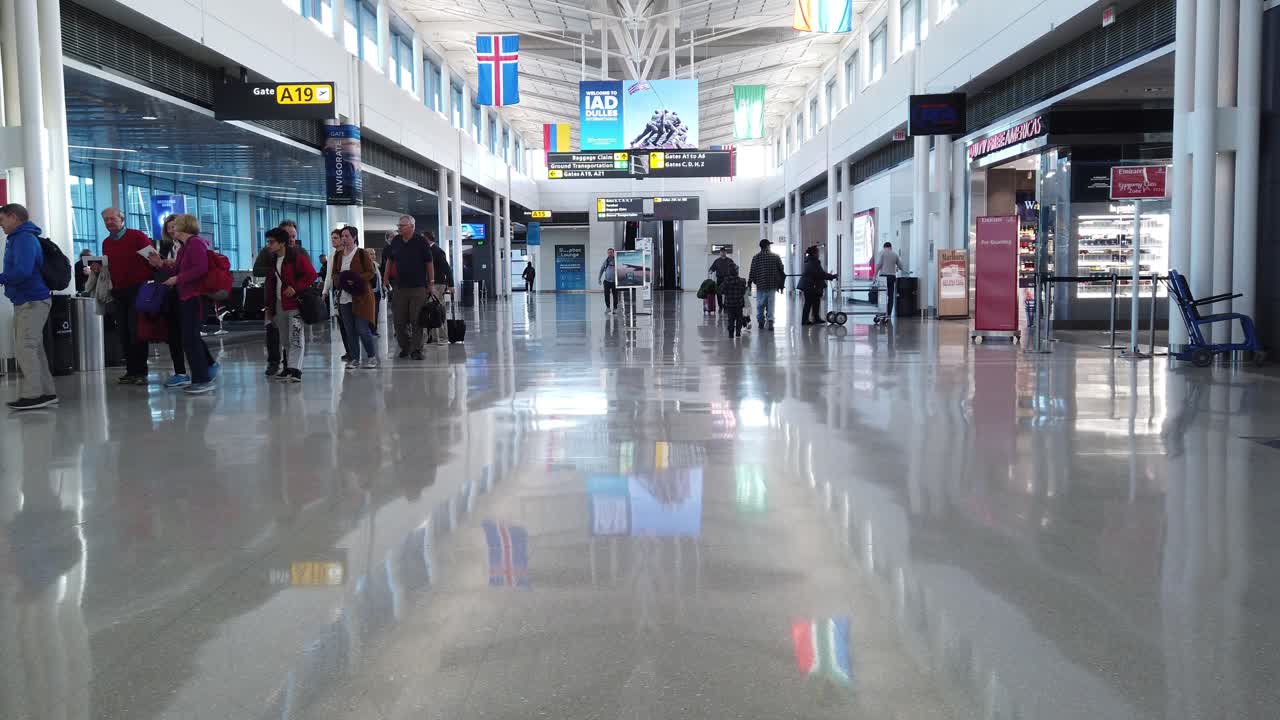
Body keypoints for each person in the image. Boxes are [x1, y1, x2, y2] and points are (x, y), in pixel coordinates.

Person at [0, 204, 58, 410]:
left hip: (31, 301)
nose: (1, 225)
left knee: (26, 347)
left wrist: (0, 278)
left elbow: (23, 272)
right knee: (34, 348)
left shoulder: (24, 239)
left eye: (2, 220)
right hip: (28, 300)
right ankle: (46, 391)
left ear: (13, 217)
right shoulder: (19, 238)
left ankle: (34, 394)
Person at [149, 214, 214, 388]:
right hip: (184, 295)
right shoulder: (186, 246)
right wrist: (166, 265)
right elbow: (181, 269)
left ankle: (202, 379)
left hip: (192, 296)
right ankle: (201, 377)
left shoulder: (195, 243)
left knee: (191, 339)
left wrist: (177, 279)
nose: (172, 229)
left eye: (175, 226)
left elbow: (201, 268)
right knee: (188, 338)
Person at [99, 207, 155, 385]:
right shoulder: (106, 243)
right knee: (123, 331)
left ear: (122, 219)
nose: (109, 222)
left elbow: (152, 258)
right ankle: (131, 370)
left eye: (112, 218)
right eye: (106, 220)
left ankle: (140, 371)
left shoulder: (137, 236)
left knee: (136, 330)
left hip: (138, 289)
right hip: (118, 291)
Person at [264, 226, 318, 382]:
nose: (269, 245)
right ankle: (289, 368)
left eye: (271, 242)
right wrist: (269, 307)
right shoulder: (273, 259)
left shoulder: (296, 257)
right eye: (268, 242)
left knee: (295, 337)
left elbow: (311, 275)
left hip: (294, 304)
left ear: (282, 243)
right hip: (279, 305)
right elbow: (270, 284)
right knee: (285, 339)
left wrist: (296, 288)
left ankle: (296, 370)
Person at [385, 215, 434, 360]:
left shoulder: (421, 242)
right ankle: (405, 346)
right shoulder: (396, 241)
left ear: (412, 227)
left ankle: (417, 349)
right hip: (399, 287)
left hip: (418, 288)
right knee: (399, 321)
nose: (399, 228)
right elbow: (389, 260)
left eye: (402, 226)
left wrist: (431, 283)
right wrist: (385, 277)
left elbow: (429, 263)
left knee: (416, 319)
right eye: (398, 225)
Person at [332, 225, 378, 369]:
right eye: (342, 236)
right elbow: (334, 273)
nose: (344, 239)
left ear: (354, 237)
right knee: (349, 329)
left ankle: (371, 356)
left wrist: (356, 279)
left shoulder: (361, 253)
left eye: (347, 236)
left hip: (361, 297)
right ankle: (354, 358)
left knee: (362, 328)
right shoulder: (338, 255)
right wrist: (339, 280)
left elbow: (371, 272)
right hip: (344, 297)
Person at [322, 229, 354, 361]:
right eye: (332, 238)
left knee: (350, 324)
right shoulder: (332, 256)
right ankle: (349, 350)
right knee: (341, 323)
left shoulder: (346, 255)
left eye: (336, 238)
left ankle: (353, 351)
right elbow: (328, 276)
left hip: (348, 293)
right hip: (336, 293)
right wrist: (324, 291)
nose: (333, 240)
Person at [747, 238, 786, 330]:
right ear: (768, 246)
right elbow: (781, 270)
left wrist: (749, 282)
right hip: (772, 284)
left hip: (760, 285)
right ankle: (770, 322)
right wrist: (781, 284)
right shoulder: (776, 257)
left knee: (760, 304)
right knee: (771, 304)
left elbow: (752, 271)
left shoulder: (756, 257)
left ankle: (760, 321)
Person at [426, 231, 453, 345]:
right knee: (431, 311)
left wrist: (451, 285)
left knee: (437, 310)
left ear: (428, 239)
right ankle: (433, 336)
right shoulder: (427, 251)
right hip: (430, 284)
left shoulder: (437, 251)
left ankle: (442, 337)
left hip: (438, 284)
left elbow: (447, 269)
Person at [800, 245, 837, 325]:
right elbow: (820, 274)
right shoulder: (813, 262)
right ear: (814, 253)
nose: (819, 254)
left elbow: (819, 274)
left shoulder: (810, 261)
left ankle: (816, 318)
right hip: (811, 286)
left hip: (811, 285)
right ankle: (805, 320)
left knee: (815, 302)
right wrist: (832, 276)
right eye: (818, 252)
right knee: (809, 303)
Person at [874, 241, 906, 318]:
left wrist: (874, 275)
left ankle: (882, 312)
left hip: (883, 277)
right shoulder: (895, 254)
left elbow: (878, 265)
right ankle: (888, 314)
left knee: (882, 295)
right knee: (890, 296)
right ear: (890, 247)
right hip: (892, 277)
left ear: (884, 247)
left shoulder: (881, 253)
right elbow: (901, 266)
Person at [719, 266, 748, 339]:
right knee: (739, 318)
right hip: (739, 303)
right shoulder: (742, 281)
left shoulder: (726, 281)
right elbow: (744, 291)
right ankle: (738, 333)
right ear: (737, 272)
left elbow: (721, 291)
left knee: (730, 319)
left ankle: (731, 334)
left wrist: (726, 292)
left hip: (729, 304)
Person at [599, 248, 620, 314]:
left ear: (613, 253)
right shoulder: (606, 261)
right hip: (607, 281)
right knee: (606, 295)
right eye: (608, 252)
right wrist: (599, 278)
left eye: (611, 252)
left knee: (615, 295)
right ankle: (608, 308)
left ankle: (615, 308)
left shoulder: (617, 260)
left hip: (615, 281)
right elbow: (602, 270)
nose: (609, 254)